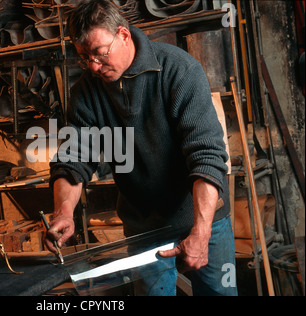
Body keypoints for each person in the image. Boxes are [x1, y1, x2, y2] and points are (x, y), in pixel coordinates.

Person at [45, 0, 237, 296]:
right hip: (145, 226)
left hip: (202, 220)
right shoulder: (85, 92)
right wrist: (64, 211)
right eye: (85, 58)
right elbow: (74, 159)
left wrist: (200, 232)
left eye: (100, 53)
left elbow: (206, 156)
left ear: (123, 34)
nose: (94, 66)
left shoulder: (179, 70)